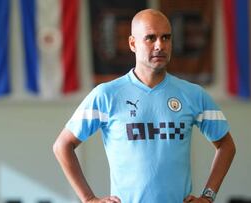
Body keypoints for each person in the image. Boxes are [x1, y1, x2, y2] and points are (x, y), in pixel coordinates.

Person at [53, 8, 236, 203]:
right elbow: (62, 145)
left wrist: (208, 196)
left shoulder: (193, 94)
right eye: (150, 38)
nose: (160, 45)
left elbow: (226, 145)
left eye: (166, 37)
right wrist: (89, 198)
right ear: (132, 43)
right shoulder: (106, 95)